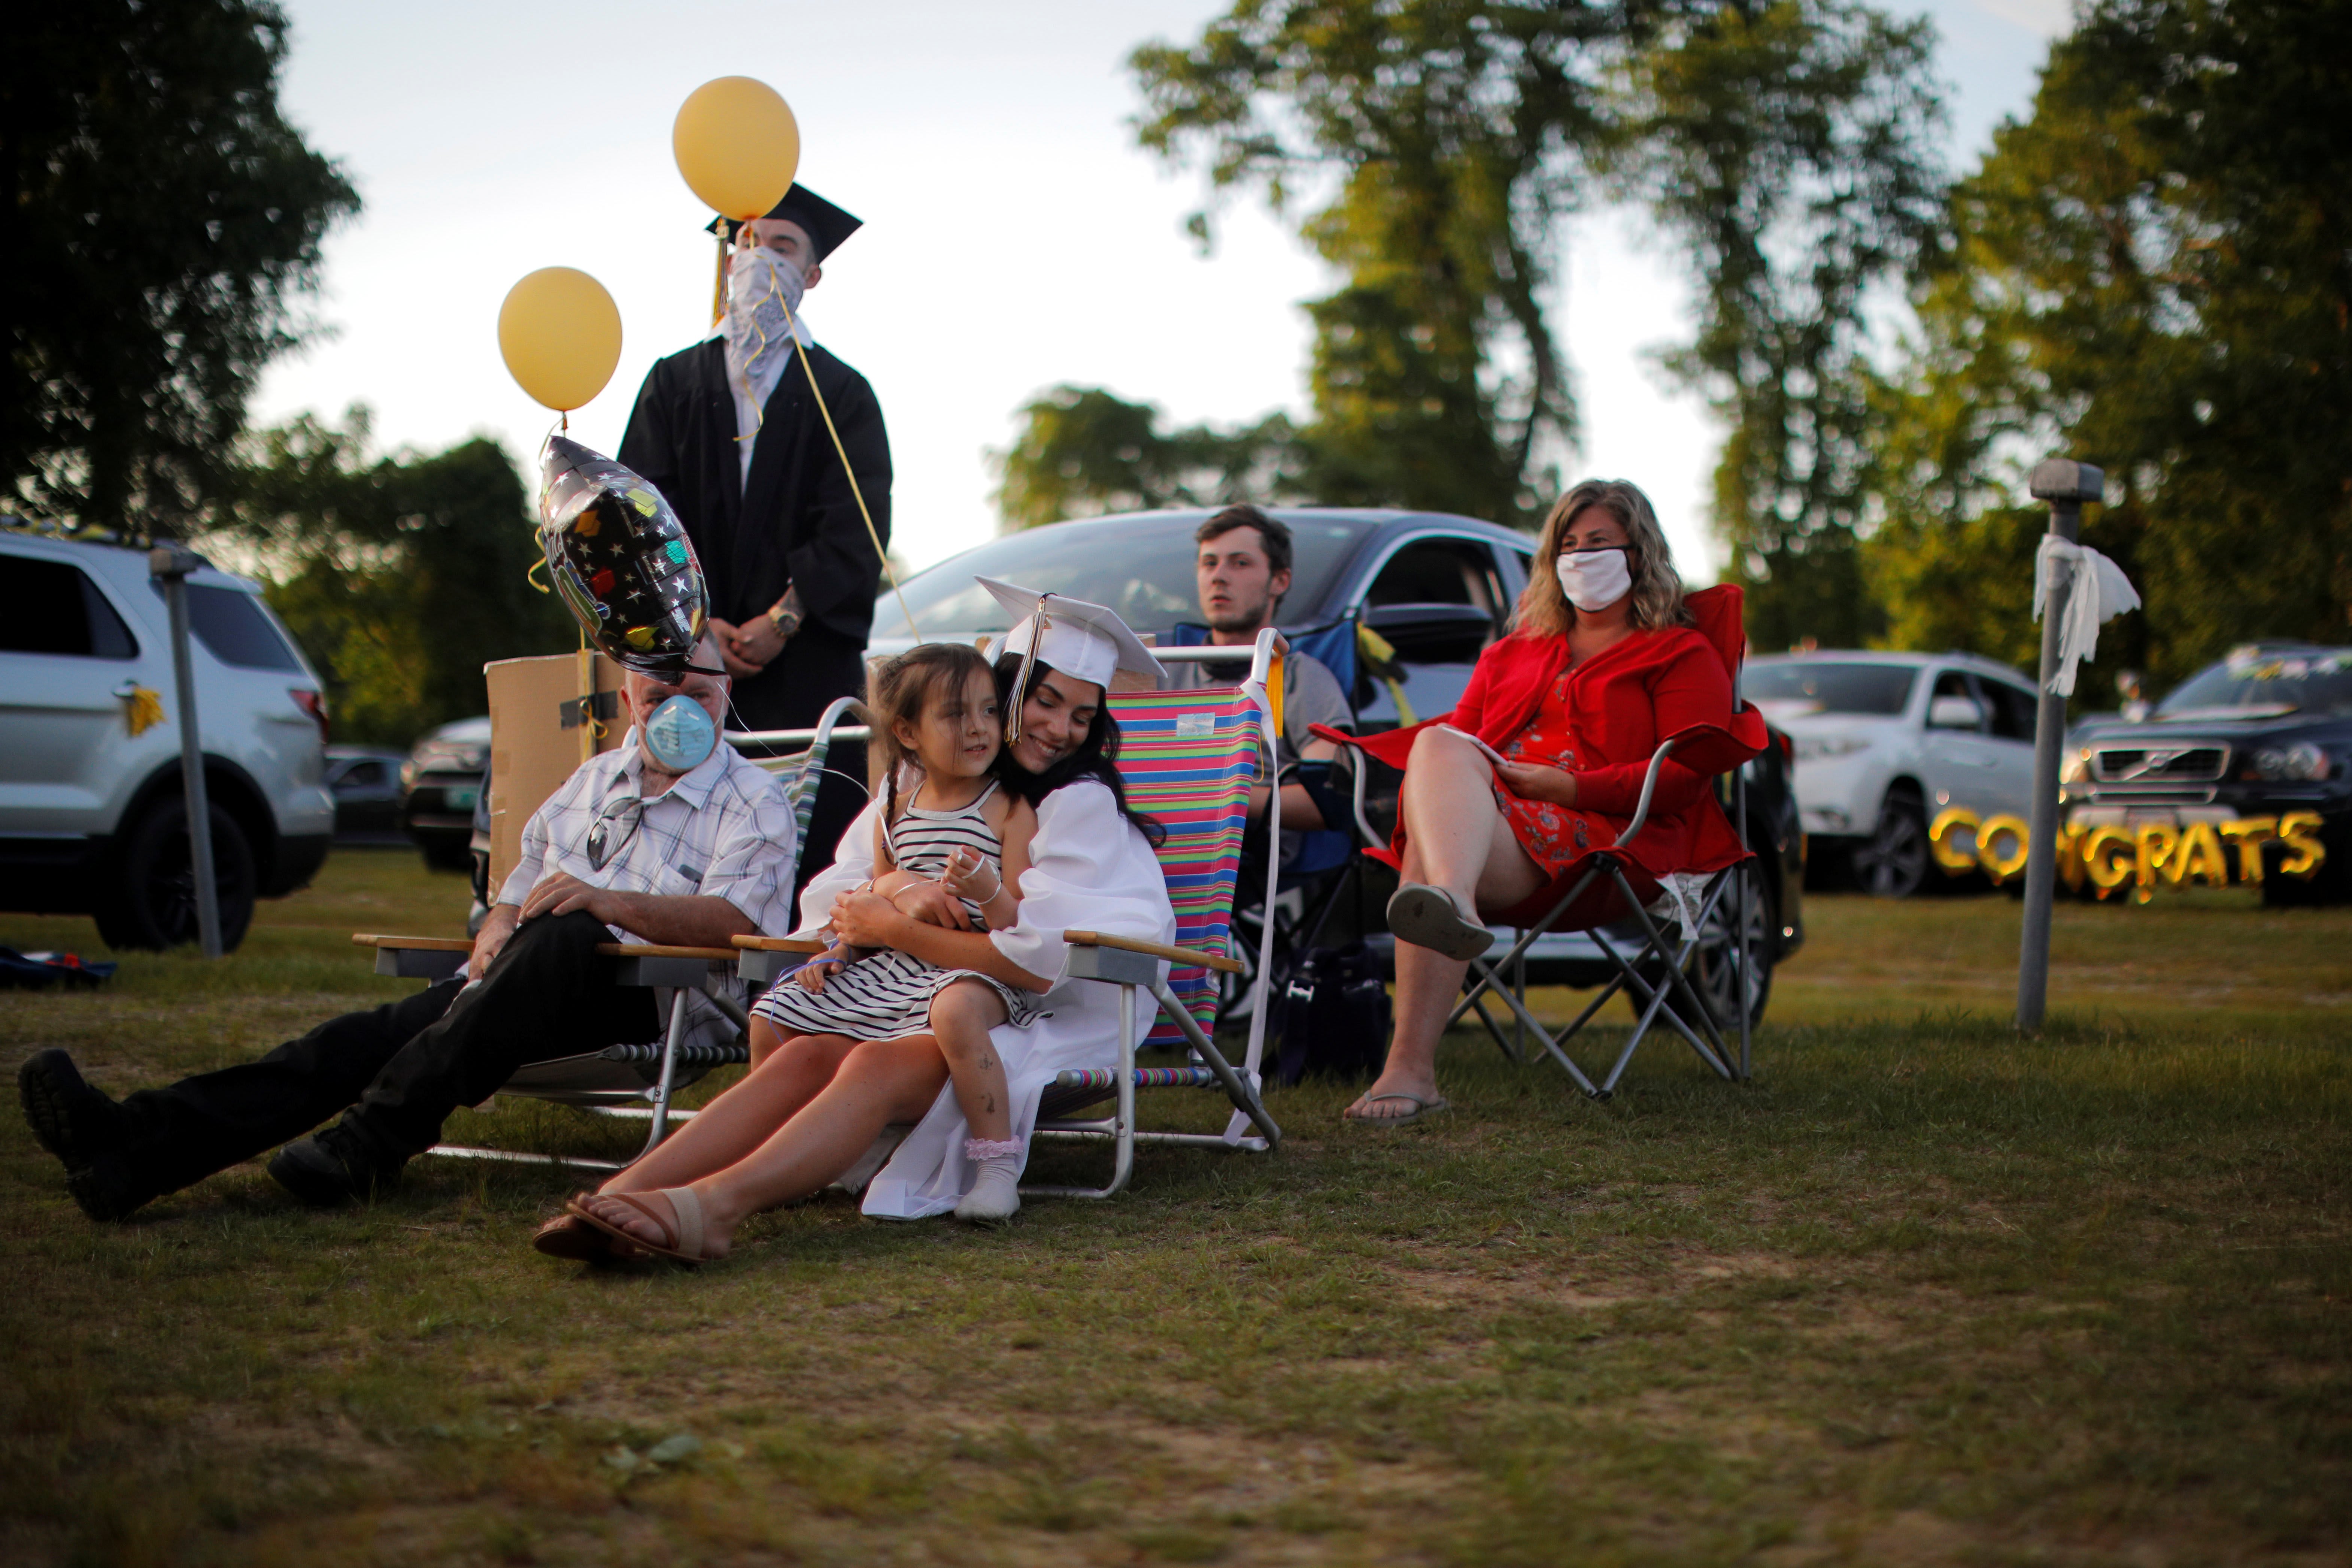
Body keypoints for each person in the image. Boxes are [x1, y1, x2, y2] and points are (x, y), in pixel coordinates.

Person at [16, 639, 800, 1216]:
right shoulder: (592, 778)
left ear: (726, 696)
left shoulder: (753, 799)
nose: (679, 708)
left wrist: (610, 903)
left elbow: (739, 921)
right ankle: (126, 1146)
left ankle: (379, 1132)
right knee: (358, 1038)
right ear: (629, 693)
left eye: (699, 693)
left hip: (650, 993)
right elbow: (519, 886)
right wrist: (495, 925)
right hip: (521, 986)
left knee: (562, 934)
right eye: (661, 688)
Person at [534, 583, 1174, 1263]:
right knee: (808, 1049)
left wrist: (894, 922)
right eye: (1044, 701)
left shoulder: (1076, 802)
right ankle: (629, 1189)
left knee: (868, 1060)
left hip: (1032, 1015)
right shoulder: (931, 782)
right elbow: (843, 890)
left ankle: (712, 1209)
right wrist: (896, 887)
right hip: (915, 991)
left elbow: (1036, 960)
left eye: (1083, 715)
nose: (1059, 728)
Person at [1339, 479, 1760, 1125]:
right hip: (1502, 830)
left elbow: (1683, 778)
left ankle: (1411, 1065)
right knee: (1439, 743)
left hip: (1611, 844)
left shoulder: (1679, 652)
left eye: (1598, 543)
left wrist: (1570, 788)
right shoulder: (1512, 652)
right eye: (1567, 545)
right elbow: (1463, 744)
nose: (1580, 557)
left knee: (1429, 855)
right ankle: (1451, 905)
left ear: (1638, 554)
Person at [617, 182, 890, 897]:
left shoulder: (842, 393)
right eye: (747, 243)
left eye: (782, 245)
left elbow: (857, 527)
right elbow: (640, 519)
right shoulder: (674, 381)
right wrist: (695, 624)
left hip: (800, 668)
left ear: (813, 274)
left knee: (810, 851)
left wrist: (783, 621)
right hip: (686, 662)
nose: (760, 258)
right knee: (683, 841)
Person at [735, 642, 1043, 1226]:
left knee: (954, 1012)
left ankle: (996, 1165)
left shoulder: (1007, 808)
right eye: (955, 714)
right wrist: (840, 952)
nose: (978, 728)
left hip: (974, 970)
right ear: (907, 732)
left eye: (988, 710)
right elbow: (877, 898)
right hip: (896, 965)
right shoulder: (894, 807)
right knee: (775, 1010)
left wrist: (984, 889)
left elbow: (1017, 926)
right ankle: (788, 1146)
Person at [1168, 505, 1353, 832]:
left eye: (1240, 563)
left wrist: (1205, 796)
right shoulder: (1163, 672)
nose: (1218, 576)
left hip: (1252, 860)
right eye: (1209, 563)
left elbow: (1323, 800)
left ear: (1279, 581)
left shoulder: (1302, 679)